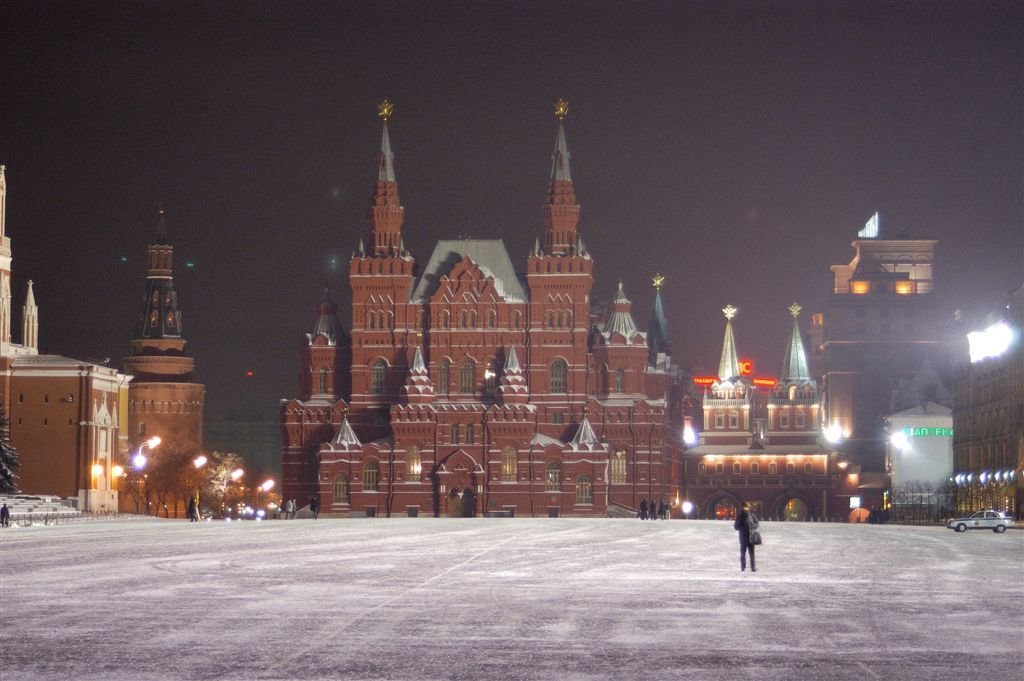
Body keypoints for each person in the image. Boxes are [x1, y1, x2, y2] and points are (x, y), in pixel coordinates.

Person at [734, 502, 757, 572]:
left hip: (751, 537)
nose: (747, 509)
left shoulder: (752, 516)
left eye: (748, 507)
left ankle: (753, 567)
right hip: (743, 537)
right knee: (743, 554)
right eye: (746, 507)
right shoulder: (740, 516)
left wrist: (752, 527)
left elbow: (757, 523)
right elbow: (736, 527)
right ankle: (743, 567)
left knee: (752, 554)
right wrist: (744, 526)